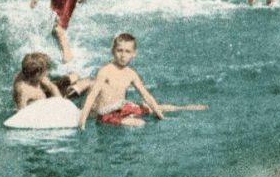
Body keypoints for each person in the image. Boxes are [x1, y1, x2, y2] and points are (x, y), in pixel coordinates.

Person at [78, 33, 207, 130]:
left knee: (151, 107)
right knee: (140, 123)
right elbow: (92, 95)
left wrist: (160, 116)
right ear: (113, 51)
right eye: (119, 50)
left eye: (127, 51)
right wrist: (82, 119)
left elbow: (146, 95)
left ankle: (185, 107)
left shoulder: (131, 74)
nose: (123, 55)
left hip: (121, 107)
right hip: (106, 114)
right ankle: (128, 119)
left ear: (134, 54)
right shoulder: (105, 71)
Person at [13, 52, 92, 111]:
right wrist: (51, 87)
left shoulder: (29, 73)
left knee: (74, 76)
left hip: (45, 90)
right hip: (50, 100)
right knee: (87, 83)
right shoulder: (23, 91)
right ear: (38, 74)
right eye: (46, 71)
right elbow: (61, 105)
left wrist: (49, 85)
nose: (48, 72)